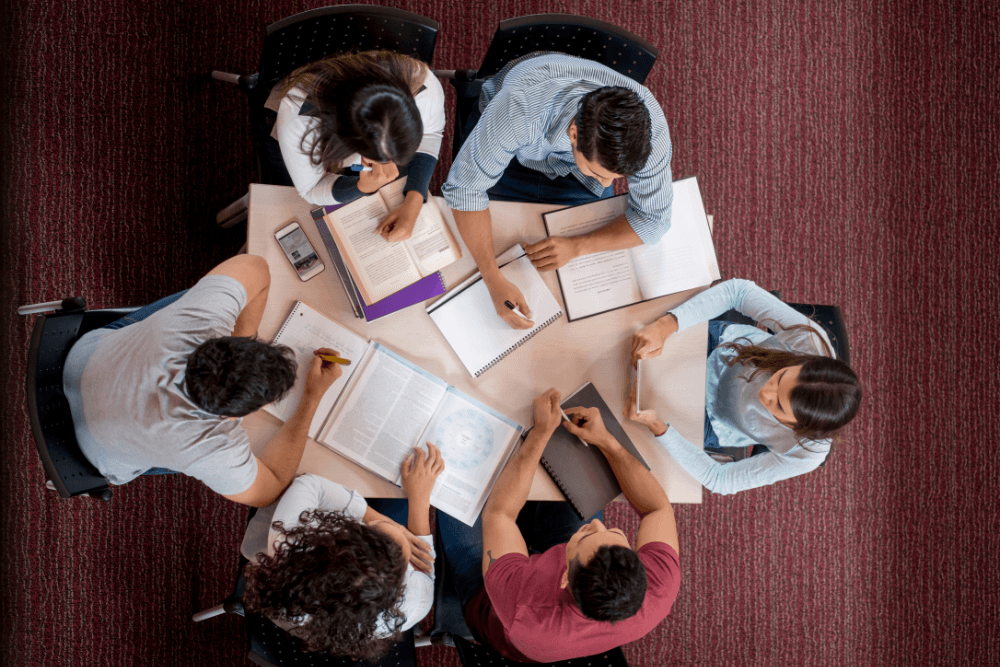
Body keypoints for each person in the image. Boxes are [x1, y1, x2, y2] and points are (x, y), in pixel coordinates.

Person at [63, 255, 342, 506]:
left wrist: (243, 340)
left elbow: (257, 267)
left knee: (199, 295)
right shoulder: (211, 446)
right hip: (92, 451)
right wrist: (312, 397)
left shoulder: (199, 321)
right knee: (205, 466)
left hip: (78, 361)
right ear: (237, 413)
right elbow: (268, 492)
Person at [437, 389, 680, 663]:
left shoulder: (522, 609)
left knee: (453, 478)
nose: (598, 523)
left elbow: (499, 514)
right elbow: (656, 509)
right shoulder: (659, 586)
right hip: (559, 579)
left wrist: (540, 433)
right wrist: (607, 442)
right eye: (613, 533)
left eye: (589, 535)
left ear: (564, 577)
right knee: (580, 466)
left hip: (493, 603)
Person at [441, 53, 674, 329]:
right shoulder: (520, 107)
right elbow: (465, 190)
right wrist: (492, 277)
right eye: (599, 173)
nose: (605, 187)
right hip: (516, 150)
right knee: (474, 258)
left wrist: (578, 246)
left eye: (616, 178)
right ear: (574, 133)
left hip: (571, 167)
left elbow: (654, 221)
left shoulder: (650, 130)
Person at [629, 279, 863, 495]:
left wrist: (659, 428)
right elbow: (738, 292)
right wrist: (667, 325)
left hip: (715, 420)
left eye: (779, 406)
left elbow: (720, 479)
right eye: (780, 378)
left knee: (630, 437)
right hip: (721, 349)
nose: (765, 392)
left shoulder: (807, 454)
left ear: (799, 428)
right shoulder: (809, 341)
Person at [241, 444, 445, 660]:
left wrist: (377, 520)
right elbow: (424, 566)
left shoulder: (291, 543)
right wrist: (418, 501)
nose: (399, 529)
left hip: (279, 556)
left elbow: (309, 483)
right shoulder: (413, 605)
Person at [267, 50, 446, 242]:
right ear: (347, 143)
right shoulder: (299, 120)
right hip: (297, 134)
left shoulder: (423, 82)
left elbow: (431, 133)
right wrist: (360, 188)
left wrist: (414, 201)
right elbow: (310, 189)